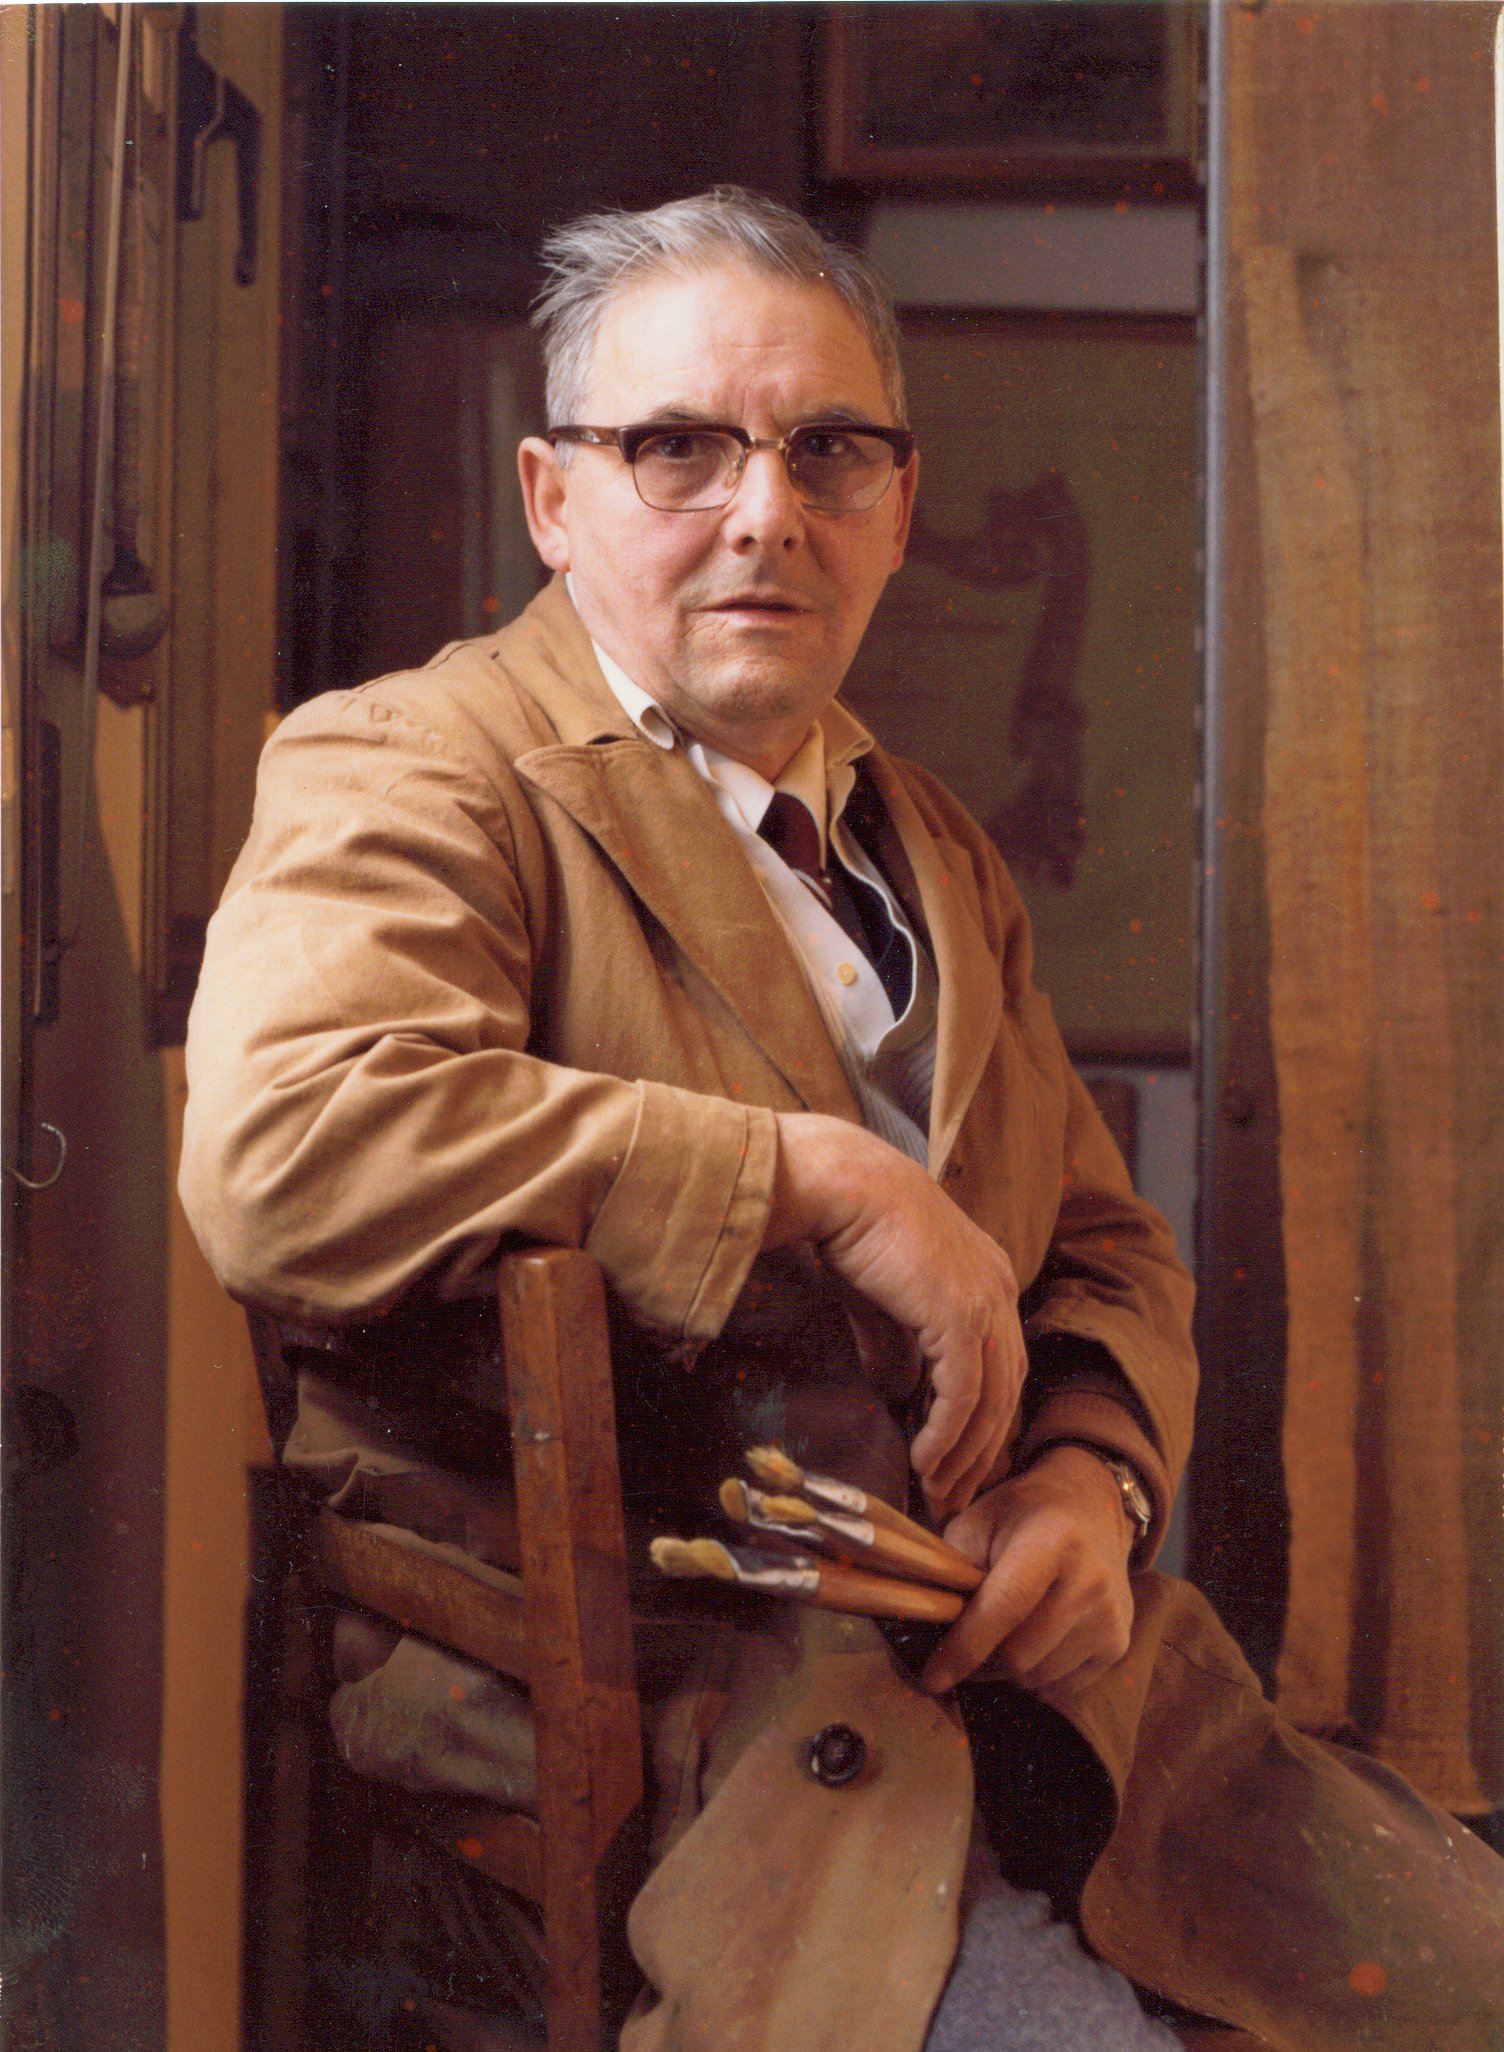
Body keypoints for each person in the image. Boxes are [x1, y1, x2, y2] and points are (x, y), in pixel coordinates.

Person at [180, 188, 1504, 2052]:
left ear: (900, 505)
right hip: (702, 1739)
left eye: (829, 451)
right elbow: (286, 1149)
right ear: (551, 499)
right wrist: (815, 1180)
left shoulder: (929, 838)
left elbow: (1105, 1248)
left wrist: (1093, 1481)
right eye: (678, 448)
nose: (764, 513)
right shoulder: (414, 765)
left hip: (1040, 1696)